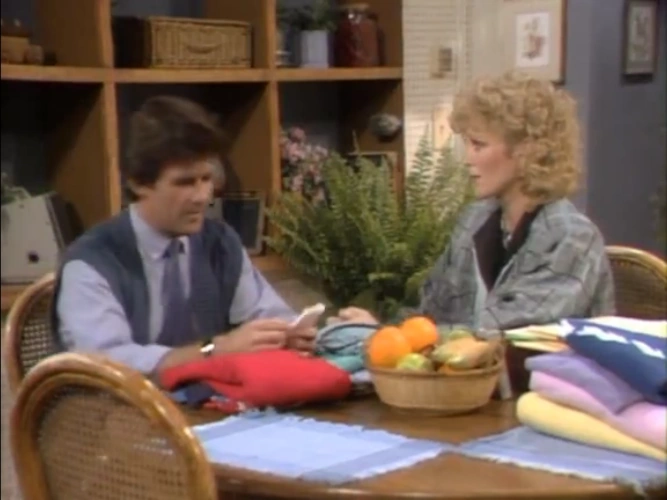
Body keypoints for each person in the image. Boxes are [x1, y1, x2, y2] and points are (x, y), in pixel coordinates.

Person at [54, 96, 314, 377]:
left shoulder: (220, 242)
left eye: (206, 179)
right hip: (120, 403)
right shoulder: (92, 262)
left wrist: (288, 334)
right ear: (139, 183)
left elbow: (267, 314)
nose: (202, 197)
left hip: (214, 399)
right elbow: (107, 364)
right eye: (185, 182)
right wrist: (214, 351)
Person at [335, 71, 615, 330]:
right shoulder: (474, 220)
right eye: (466, 144)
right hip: (457, 366)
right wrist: (377, 328)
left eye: (478, 145)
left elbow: (509, 331)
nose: (467, 159)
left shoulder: (572, 238)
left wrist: (397, 337)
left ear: (527, 150)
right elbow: (429, 313)